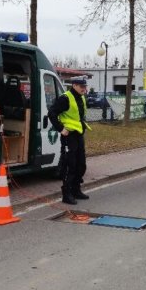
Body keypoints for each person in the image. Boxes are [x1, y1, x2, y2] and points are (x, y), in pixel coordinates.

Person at [48, 76, 91, 205]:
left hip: (78, 134)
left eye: (85, 86)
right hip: (69, 136)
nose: (84, 89)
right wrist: (61, 128)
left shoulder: (81, 97)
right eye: (82, 86)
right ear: (74, 85)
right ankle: (66, 194)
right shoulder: (65, 98)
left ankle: (76, 190)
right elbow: (52, 113)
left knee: (81, 164)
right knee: (70, 165)